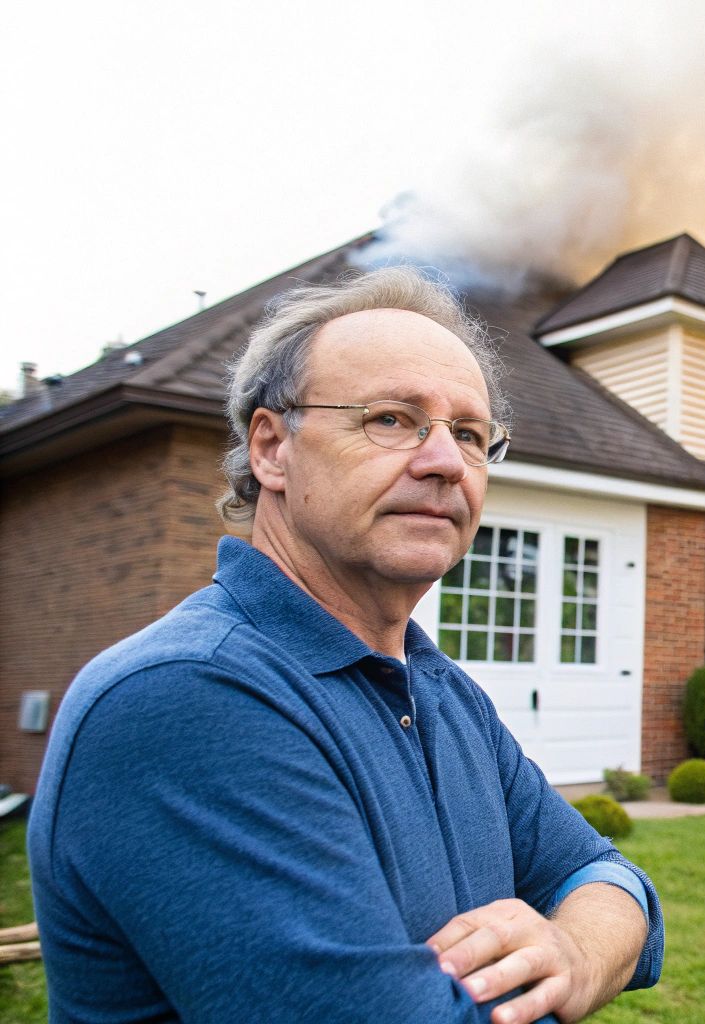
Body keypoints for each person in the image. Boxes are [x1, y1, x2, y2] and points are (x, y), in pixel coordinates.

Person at [27, 268, 662, 1023]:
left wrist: (581, 953)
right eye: (392, 419)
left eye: (468, 433)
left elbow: (612, 878)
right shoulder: (188, 696)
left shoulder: (441, 693)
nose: (445, 462)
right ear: (271, 448)